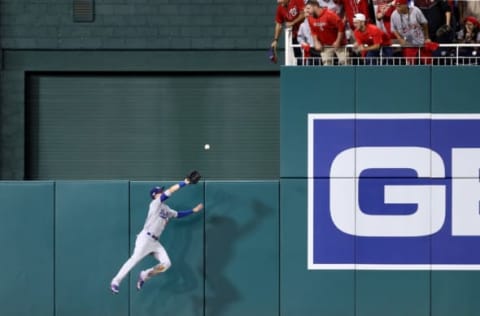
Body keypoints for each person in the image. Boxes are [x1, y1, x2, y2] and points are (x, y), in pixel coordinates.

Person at [110, 172, 203, 294]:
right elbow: (170, 191)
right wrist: (184, 183)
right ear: (155, 195)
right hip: (145, 238)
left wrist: (193, 211)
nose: (162, 192)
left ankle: (145, 275)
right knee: (134, 260)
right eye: (160, 191)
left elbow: (178, 214)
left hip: (155, 242)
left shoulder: (166, 209)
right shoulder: (155, 204)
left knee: (166, 264)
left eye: (161, 191)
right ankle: (116, 281)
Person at [307, 0, 348, 65]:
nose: (307, 11)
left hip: (340, 44)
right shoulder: (310, 18)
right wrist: (316, 42)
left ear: (315, 6)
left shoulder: (330, 15)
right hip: (326, 45)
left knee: (345, 63)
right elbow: (313, 30)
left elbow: (341, 27)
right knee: (326, 64)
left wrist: (338, 41)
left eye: (308, 8)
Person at [271, 0, 306, 64]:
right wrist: (275, 40)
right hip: (295, 35)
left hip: (306, 34)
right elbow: (278, 24)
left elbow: (304, 14)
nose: (278, 2)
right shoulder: (280, 8)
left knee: (309, 56)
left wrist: (293, 22)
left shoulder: (297, 1)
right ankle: (301, 72)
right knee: (298, 57)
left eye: (281, 1)